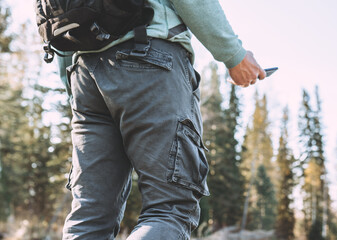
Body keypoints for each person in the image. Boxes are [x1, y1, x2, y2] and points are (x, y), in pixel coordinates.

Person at [58, 0, 266, 239]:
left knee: (89, 218)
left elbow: (60, 16)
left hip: (83, 75)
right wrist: (233, 55)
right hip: (148, 57)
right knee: (170, 208)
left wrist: (74, 90)